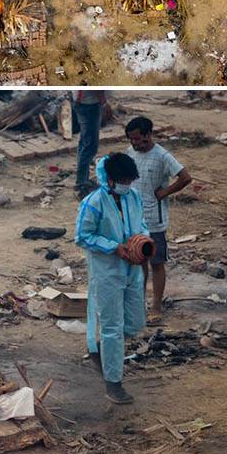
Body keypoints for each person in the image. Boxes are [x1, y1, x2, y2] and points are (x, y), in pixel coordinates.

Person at [74, 153, 149, 405]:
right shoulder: (93, 202)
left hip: (132, 269)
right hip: (107, 272)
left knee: (134, 323)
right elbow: (82, 236)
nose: (127, 184)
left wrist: (142, 240)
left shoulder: (133, 197)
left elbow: (142, 224)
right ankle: (113, 383)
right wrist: (114, 247)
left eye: (130, 180)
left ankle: (101, 349)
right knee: (112, 327)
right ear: (111, 179)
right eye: (124, 180)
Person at [125, 116, 192, 325]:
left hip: (154, 220)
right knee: (139, 261)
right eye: (131, 139)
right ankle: (139, 303)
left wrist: (164, 192)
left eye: (138, 138)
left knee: (156, 263)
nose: (134, 143)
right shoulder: (130, 153)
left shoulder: (162, 156)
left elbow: (185, 177)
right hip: (134, 218)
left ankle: (156, 306)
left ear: (148, 134)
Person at [73, 90, 107, 198]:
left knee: (85, 141)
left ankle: (83, 179)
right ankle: (82, 183)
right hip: (89, 105)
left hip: (83, 102)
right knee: (90, 146)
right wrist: (103, 100)